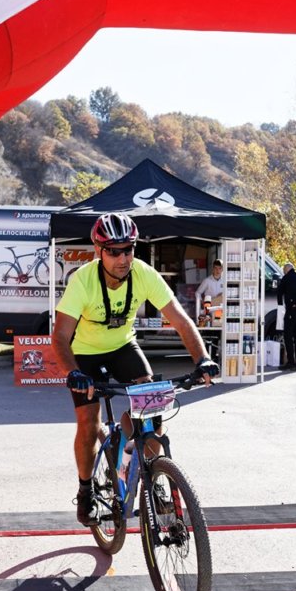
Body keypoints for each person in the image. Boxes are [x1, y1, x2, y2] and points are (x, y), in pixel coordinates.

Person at [52, 211, 219, 527]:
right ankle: (86, 490)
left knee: (152, 412)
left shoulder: (143, 274)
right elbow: (60, 337)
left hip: (123, 347)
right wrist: (73, 372)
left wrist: (202, 360)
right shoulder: (83, 281)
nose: (123, 258)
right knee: (88, 422)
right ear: (99, 251)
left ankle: (148, 471)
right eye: (114, 251)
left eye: (128, 249)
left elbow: (181, 320)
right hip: (86, 353)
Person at [277, 262, 296, 371]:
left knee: (288, 335)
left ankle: (290, 362)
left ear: (286, 270)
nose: (283, 272)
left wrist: (281, 305)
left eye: (284, 271)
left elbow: (279, 292)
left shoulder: (286, 278)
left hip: (292, 311)